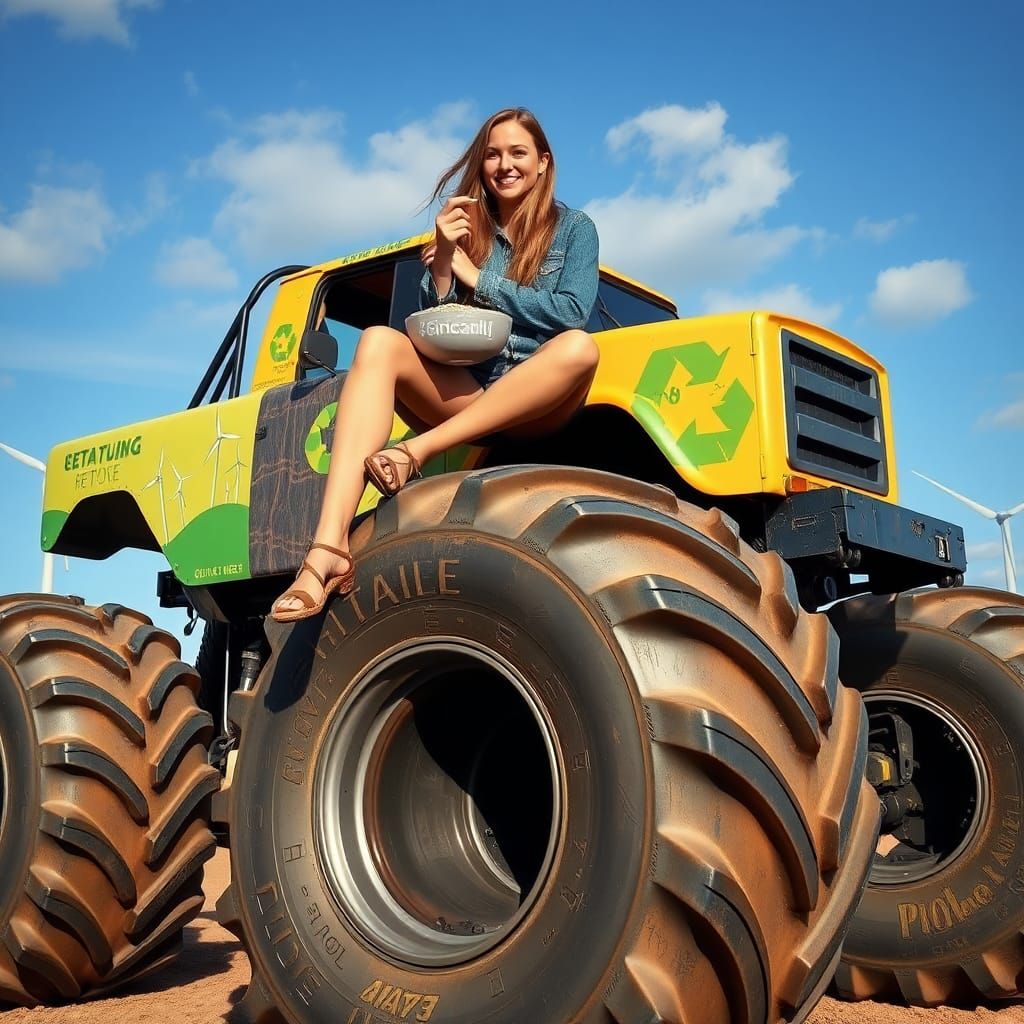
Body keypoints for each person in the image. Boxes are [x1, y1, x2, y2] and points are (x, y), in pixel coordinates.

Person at [271, 107, 601, 622]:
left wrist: (479, 277)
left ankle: (414, 452)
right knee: (379, 339)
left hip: (539, 400)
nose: (504, 164)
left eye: (518, 153)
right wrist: (446, 260)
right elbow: (436, 329)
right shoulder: (468, 226)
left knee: (581, 347)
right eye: (492, 154)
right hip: (472, 390)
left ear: (543, 162)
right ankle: (326, 551)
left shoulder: (574, 229)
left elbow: (572, 312)